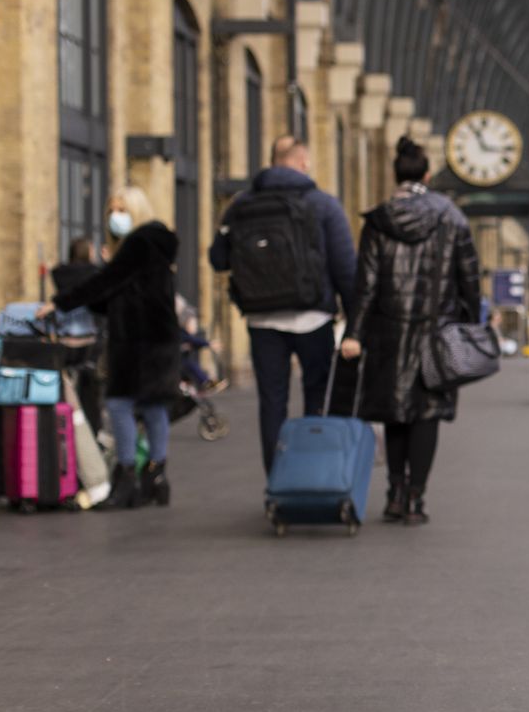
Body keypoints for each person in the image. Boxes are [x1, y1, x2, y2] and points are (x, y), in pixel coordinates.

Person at [340, 137, 481, 526]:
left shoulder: (380, 219)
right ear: (428, 175)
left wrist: (354, 332)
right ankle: (417, 497)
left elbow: (365, 284)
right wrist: (471, 324)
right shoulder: (451, 217)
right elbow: (468, 276)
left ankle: (394, 493)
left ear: (395, 174)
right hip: (438, 332)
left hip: (389, 331)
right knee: (426, 413)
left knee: (394, 410)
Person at [209, 134, 358, 477]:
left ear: (272, 161)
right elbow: (346, 268)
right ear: (303, 162)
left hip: (261, 318)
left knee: (272, 403)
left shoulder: (241, 205)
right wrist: (355, 324)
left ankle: (277, 480)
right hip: (313, 316)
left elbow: (218, 259)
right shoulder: (323, 204)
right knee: (316, 397)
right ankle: (313, 478)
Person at [44, 188, 181, 508]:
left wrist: (60, 303)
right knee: (152, 407)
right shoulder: (151, 247)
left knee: (120, 404)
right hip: (154, 338)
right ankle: (156, 477)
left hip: (140, 342)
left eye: (122, 209)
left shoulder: (140, 242)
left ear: (137, 211)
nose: (115, 216)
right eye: (111, 210)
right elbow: (113, 296)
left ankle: (127, 476)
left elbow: (104, 283)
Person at [51, 236, 105, 435]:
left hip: (65, 337)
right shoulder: (94, 274)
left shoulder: (60, 275)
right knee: (90, 389)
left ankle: (66, 425)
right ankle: (92, 430)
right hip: (88, 338)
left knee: (66, 388)